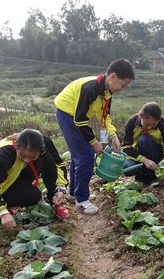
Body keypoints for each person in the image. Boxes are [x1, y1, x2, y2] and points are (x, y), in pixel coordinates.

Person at [54, 58, 135, 215]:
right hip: (66, 114)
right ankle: (82, 200)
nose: (122, 89)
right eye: (123, 85)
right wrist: (94, 142)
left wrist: (111, 137)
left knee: (80, 155)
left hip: (76, 118)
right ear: (112, 77)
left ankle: (73, 192)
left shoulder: (107, 92)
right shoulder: (90, 88)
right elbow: (79, 120)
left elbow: (104, 117)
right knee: (86, 154)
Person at [0, 129, 68, 228]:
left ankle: (55, 200)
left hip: (22, 173)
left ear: (41, 149)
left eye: (32, 157)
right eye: (23, 156)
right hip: (3, 184)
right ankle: (3, 204)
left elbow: (59, 165)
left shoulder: (44, 144)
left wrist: (61, 188)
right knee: (31, 196)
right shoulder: (5, 152)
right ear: (16, 146)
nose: (27, 160)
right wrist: (2, 212)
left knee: (48, 159)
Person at [122, 102, 164, 186]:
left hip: (155, 153)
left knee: (144, 140)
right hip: (136, 155)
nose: (149, 127)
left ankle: (150, 177)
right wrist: (144, 160)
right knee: (127, 169)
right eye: (147, 124)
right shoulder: (132, 122)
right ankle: (140, 176)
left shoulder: (163, 125)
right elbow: (125, 147)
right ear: (141, 116)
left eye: (153, 125)